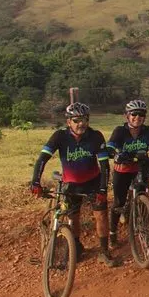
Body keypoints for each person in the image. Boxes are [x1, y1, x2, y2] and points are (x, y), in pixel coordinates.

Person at [29, 102, 120, 267]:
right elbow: (42, 159)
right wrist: (35, 182)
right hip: (71, 185)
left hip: (93, 183)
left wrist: (102, 189)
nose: (81, 124)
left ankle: (104, 251)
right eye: (76, 120)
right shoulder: (59, 136)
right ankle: (77, 247)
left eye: (84, 119)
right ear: (68, 122)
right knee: (73, 218)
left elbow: (105, 166)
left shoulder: (95, 136)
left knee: (101, 215)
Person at [106, 99, 149, 247]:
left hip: (141, 167)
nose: (137, 117)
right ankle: (112, 233)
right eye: (134, 114)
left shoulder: (148, 131)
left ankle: (145, 230)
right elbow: (110, 147)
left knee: (142, 197)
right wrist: (116, 155)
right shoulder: (120, 131)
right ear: (127, 116)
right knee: (118, 202)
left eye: (141, 115)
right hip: (123, 169)